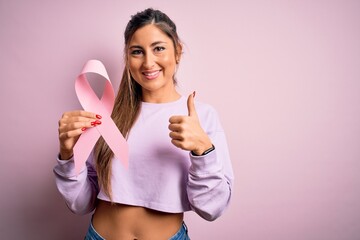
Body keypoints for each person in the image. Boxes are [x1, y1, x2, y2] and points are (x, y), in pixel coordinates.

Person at [54, 8, 234, 240]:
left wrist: (203, 152)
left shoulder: (201, 117)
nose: (148, 62)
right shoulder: (104, 115)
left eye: (158, 48)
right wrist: (68, 155)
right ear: (127, 57)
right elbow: (80, 204)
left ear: (178, 51)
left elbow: (213, 209)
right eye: (137, 51)